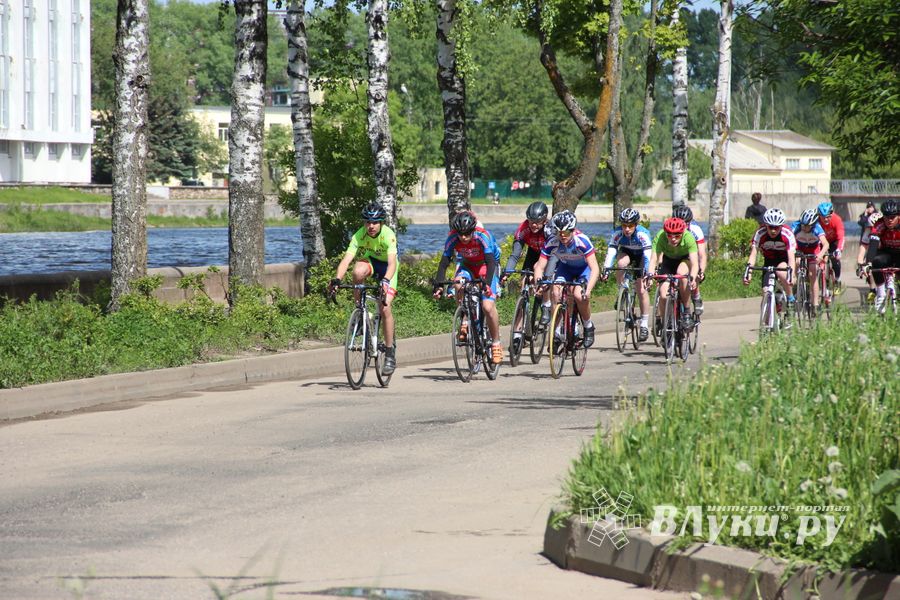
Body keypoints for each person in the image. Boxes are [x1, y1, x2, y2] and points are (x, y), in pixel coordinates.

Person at [329, 202, 399, 375]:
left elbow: (392, 264)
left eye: (375, 222)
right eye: (367, 222)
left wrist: (385, 280)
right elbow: (346, 260)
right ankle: (360, 311)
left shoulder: (388, 235)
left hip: (389, 269)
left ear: (381, 222)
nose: (371, 226)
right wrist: (337, 279)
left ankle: (390, 353)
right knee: (357, 271)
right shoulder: (359, 235)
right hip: (372, 262)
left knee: (385, 307)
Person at [432, 210, 504, 364]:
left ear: (473, 230)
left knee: (487, 306)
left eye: (466, 234)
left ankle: (496, 343)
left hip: (486, 266)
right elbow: (444, 262)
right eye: (460, 234)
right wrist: (438, 286)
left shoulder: (482, 235)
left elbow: (491, 262)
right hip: (468, 266)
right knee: (458, 284)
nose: (463, 238)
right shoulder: (452, 238)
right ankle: (465, 318)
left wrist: (487, 283)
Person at [533, 210, 600, 349]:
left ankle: (588, 326)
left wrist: (588, 290)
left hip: (584, 270)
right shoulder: (552, 242)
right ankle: (557, 333)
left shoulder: (582, 241)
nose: (562, 236)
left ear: (573, 230)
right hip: (566, 268)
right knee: (555, 293)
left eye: (566, 233)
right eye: (559, 233)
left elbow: (595, 268)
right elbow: (539, 266)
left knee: (578, 295)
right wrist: (539, 283)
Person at [501, 201, 552, 351]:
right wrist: (507, 272)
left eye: (537, 223)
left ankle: (546, 306)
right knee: (523, 285)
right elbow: (515, 255)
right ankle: (518, 336)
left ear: (544, 221)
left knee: (542, 279)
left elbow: (553, 254)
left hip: (548, 255)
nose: (534, 225)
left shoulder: (550, 230)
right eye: (531, 222)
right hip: (533, 254)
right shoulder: (523, 229)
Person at [600, 207, 652, 341]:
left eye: (630, 226)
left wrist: (646, 273)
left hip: (641, 256)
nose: (627, 229)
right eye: (624, 225)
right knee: (621, 264)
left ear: (636, 225)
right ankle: (622, 290)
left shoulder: (643, 234)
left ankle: (644, 325)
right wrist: (606, 269)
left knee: (641, 289)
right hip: (627, 252)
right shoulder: (617, 233)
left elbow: (648, 256)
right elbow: (611, 251)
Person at [647, 217, 699, 332]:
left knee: (682, 275)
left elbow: (695, 263)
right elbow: (653, 259)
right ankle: (666, 321)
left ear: (682, 233)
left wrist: (693, 278)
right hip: (668, 261)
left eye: (677, 235)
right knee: (664, 294)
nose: (673, 239)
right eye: (669, 235)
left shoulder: (689, 237)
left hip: (684, 260)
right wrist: (650, 275)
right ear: (665, 233)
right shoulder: (660, 237)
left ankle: (686, 312)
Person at [743, 208, 797, 317]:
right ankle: (768, 321)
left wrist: (792, 275)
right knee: (765, 291)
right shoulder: (760, 233)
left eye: (776, 228)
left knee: (782, 273)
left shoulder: (787, 234)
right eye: (770, 227)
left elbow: (791, 258)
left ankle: (790, 298)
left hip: (784, 259)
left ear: (781, 226)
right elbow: (753, 254)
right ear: (766, 225)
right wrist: (748, 273)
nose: (773, 231)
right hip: (769, 261)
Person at [858, 199, 900, 314]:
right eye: (886, 217)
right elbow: (872, 245)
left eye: (892, 217)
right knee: (876, 261)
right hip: (887, 253)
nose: (889, 220)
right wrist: (868, 263)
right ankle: (881, 295)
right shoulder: (879, 224)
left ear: (898, 216)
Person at [791, 208, 829, 316]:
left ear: (812, 225)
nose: (804, 227)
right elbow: (789, 240)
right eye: (802, 225)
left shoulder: (817, 228)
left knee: (813, 272)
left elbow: (826, 244)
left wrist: (820, 255)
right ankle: (796, 285)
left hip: (813, 250)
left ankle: (815, 304)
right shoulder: (796, 226)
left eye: (806, 226)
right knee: (797, 262)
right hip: (800, 248)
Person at [672, 205, 708, 316]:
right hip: (673, 255)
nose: (681, 226)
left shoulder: (696, 230)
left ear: (690, 222)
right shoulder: (669, 228)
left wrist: (701, 271)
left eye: (685, 223)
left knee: (694, 273)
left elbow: (702, 254)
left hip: (689, 256)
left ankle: (696, 296)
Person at [816, 201, 845, 290]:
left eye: (828, 217)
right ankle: (822, 279)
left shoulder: (837, 220)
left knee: (835, 259)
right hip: (821, 241)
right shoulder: (816, 221)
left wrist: (839, 249)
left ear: (831, 214)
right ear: (818, 216)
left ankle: (837, 280)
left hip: (834, 241)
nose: (825, 220)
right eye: (823, 217)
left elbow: (841, 236)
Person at [856, 210, 882, 304]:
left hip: (885, 250)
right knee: (869, 265)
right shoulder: (868, 230)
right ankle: (872, 289)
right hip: (873, 251)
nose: (875, 229)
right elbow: (863, 247)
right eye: (872, 227)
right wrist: (860, 263)